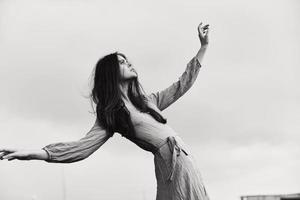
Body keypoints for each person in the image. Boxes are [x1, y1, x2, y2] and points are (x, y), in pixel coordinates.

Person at [0, 22, 210, 200]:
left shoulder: (148, 101)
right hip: (172, 167)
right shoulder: (112, 114)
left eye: (127, 60)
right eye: (121, 62)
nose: (128, 63)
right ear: (110, 72)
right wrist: (37, 153)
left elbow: (182, 84)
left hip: (187, 160)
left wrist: (203, 47)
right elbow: (82, 147)